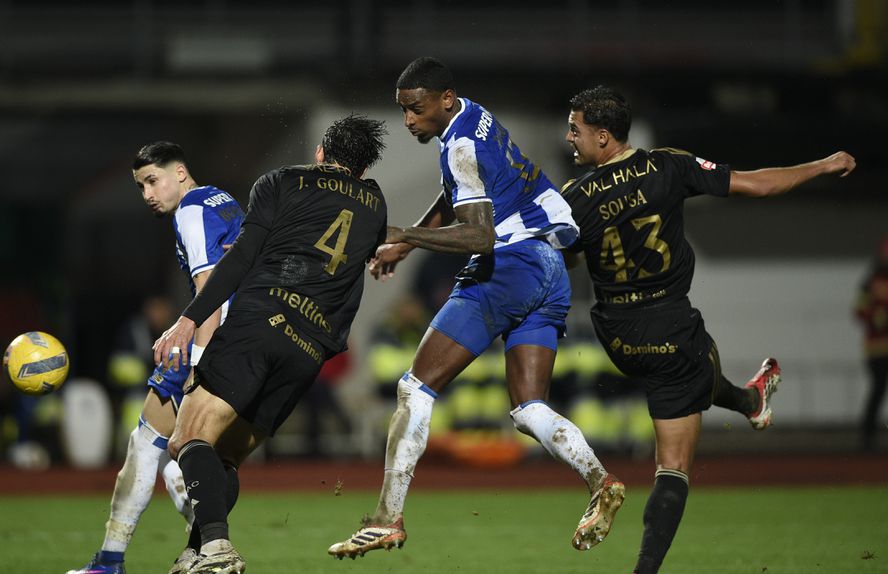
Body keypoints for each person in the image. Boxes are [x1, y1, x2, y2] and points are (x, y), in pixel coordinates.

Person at [328, 57, 623, 560]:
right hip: (551, 270)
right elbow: (462, 193)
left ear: (444, 99)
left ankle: (385, 519)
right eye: (402, 111)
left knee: (414, 387)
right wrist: (411, 246)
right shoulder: (474, 116)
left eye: (415, 110)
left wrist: (401, 233)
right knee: (529, 407)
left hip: (507, 266)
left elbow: (480, 236)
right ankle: (600, 480)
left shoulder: (460, 144)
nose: (408, 122)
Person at [559, 86, 856, 574]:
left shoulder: (573, 197)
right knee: (673, 462)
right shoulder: (668, 166)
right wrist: (821, 165)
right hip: (670, 325)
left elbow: (561, 257)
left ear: (604, 136)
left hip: (617, 335)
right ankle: (645, 570)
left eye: (576, 129)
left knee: (686, 371)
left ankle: (750, 401)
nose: (569, 138)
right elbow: (758, 185)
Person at [152, 114, 388, 574]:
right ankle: (197, 552)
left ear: (320, 151)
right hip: (308, 348)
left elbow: (243, 256)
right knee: (225, 457)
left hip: (260, 321)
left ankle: (218, 549)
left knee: (188, 440)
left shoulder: (282, 180)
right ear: (363, 168)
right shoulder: (375, 203)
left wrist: (188, 320)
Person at [68, 142, 244, 574]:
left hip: (211, 340)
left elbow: (209, 293)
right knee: (188, 460)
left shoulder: (189, 212)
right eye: (140, 185)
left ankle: (111, 562)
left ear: (180, 172)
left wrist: (200, 363)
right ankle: (204, 546)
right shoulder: (222, 198)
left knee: (146, 446)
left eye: (152, 180)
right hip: (247, 340)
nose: (147, 192)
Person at [854, 235, 888, 452]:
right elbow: (859, 310)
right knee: (878, 390)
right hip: (877, 348)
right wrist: (874, 316)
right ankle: (867, 438)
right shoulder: (870, 281)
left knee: (878, 390)